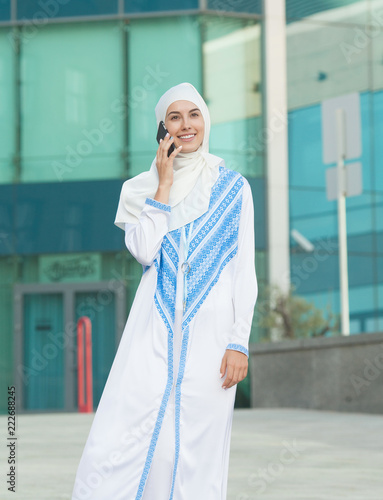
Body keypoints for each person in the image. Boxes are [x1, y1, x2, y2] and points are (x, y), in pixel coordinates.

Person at [71, 82, 258, 500]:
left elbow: (244, 271)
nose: (186, 125)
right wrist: (164, 184)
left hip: (212, 341)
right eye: (175, 117)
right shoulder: (139, 188)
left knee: (198, 449)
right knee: (120, 437)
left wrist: (238, 342)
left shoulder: (233, 188)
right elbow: (143, 250)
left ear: (205, 121)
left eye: (194, 115)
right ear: (163, 129)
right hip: (151, 331)